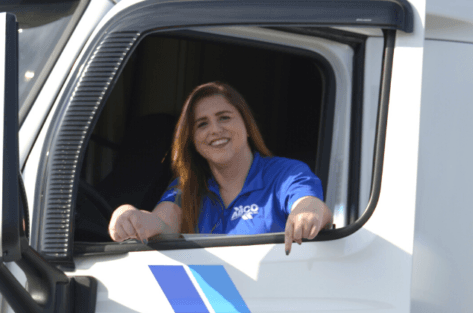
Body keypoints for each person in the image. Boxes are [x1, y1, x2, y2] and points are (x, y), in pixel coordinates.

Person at [108, 82, 332, 255]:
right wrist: (129, 215)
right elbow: (162, 223)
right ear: (193, 140)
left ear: (246, 125)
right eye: (202, 124)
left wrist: (309, 212)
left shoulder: (286, 173)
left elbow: (309, 204)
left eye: (224, 118)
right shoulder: (186, 186)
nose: (214, 130)